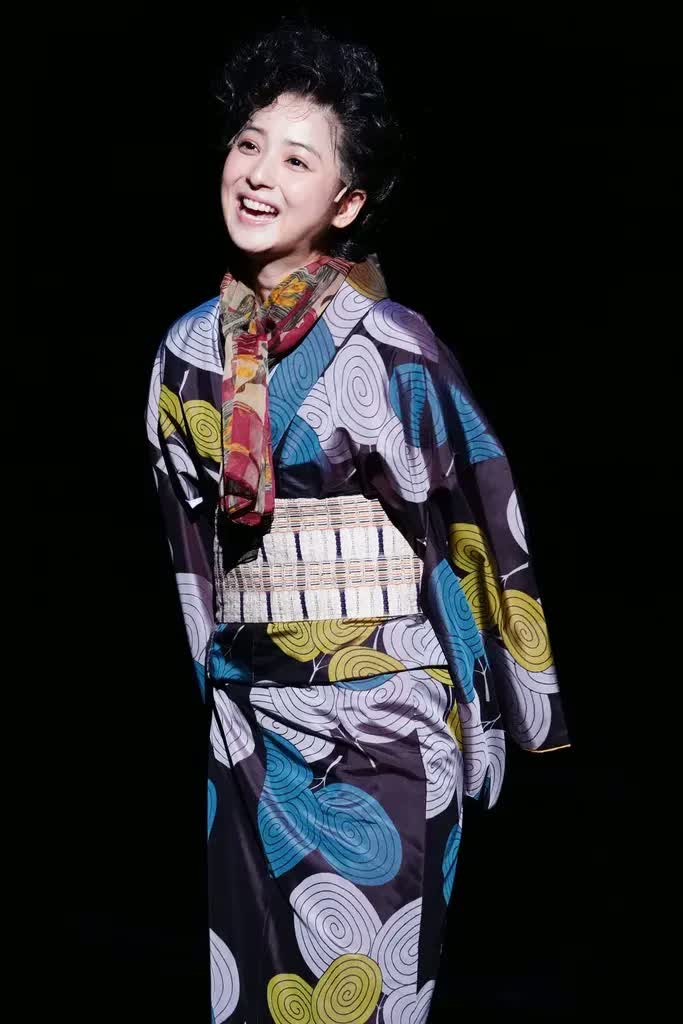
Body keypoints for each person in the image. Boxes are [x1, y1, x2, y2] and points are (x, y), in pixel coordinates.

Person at [147, 23, 569, 1023]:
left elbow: (468, 527)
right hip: (252, 727)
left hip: (385, 723)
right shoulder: (183, 353)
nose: (259, 174)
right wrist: (218, 691)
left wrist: (495, 713)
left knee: (370, 996)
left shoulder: (392, 346)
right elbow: (190, 556)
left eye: (297, 160)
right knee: (250, 997)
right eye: (248, 144)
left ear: (344, 202)